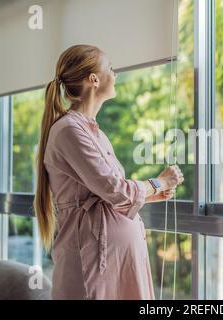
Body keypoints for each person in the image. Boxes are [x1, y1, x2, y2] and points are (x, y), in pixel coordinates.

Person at [33, 44, 184, 299]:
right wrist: (158, 182)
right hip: (90, 261)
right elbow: (115, 189)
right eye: (111, 69)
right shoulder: (69, 130)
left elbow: (106, 193)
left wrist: (147, 195)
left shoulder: (95, 132)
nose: (116, 75)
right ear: (94, 79)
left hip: (115, 263)